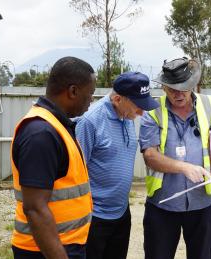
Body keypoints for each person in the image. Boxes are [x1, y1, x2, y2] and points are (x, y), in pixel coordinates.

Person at [139, 57, 211, 259]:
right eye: (171, 88)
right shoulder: (153, 111)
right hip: (162, 203)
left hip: (202, 203)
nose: (177, 94)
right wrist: (184, 167)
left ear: (193, 85)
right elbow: (150, 155)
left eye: (183, 87)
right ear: (163, 87)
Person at [11, 56, 96, 259]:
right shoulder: (41, 133)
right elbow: (35, 209)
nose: (91, 100)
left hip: (64, 244)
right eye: (90, 94)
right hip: (46, 250)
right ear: (73, 91)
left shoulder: (58, 126)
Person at [75, 71, 159, 259]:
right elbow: (76, 172)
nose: (141, 112)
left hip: (121, 213)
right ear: (118, 99)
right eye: (138, 106)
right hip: (94, 218)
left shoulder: (126, 116)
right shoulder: (91, 121)